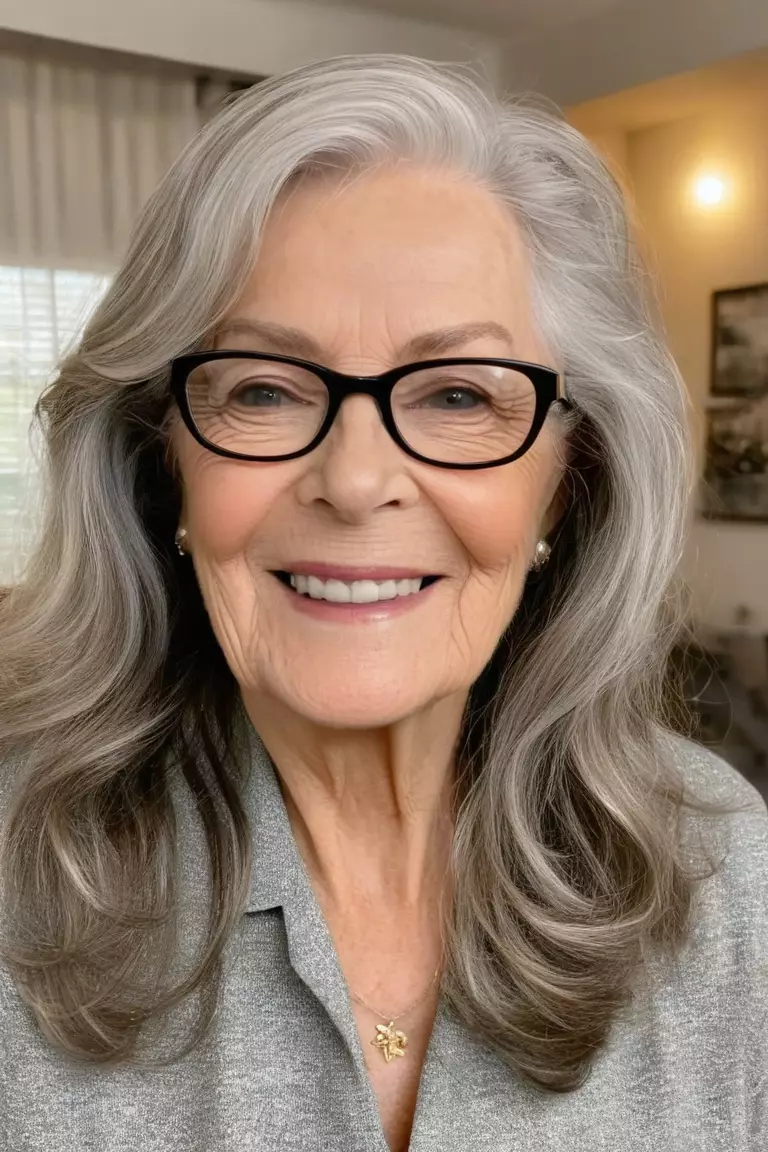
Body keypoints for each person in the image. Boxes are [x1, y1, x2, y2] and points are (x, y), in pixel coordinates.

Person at [0, 53, 765, 1152]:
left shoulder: (725, 869)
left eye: (459, 394)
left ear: (571, 472)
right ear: (161, 462)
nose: (356, 482)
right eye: (263, 388)